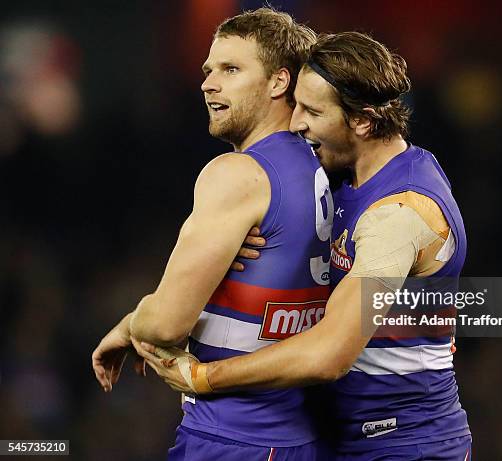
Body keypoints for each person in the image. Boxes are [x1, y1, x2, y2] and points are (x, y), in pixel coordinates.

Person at [135, 31, 472, 461]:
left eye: (312, 110)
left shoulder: (400, 216)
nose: (296, 123)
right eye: (295, 104)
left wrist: (204, 377)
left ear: (363, 121)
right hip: (336, 437)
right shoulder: (346, 174)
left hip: (402, 445)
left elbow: (330, 354)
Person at [92, 8, 334, 461]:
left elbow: (165, 326)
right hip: (302, 439)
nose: (208, 83)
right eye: (208, 71)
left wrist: (130, 324)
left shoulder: (235, 174)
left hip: (233, 438)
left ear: (279, 82)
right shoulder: (322, 166)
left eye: (231, 69)